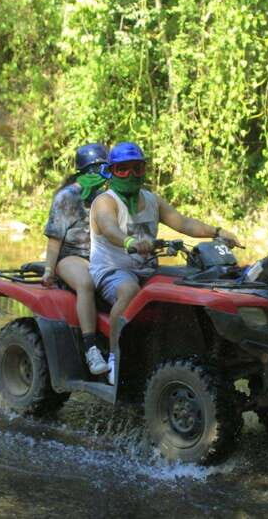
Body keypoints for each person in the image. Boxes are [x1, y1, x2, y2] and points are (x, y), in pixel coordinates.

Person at [89, 141, 241, 384]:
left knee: (189, 285)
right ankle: (115, 356)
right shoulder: (105, 201)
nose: (131, 175)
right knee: (129, 291)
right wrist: (130, 242)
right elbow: (108, 228)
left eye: (137, 168)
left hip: (148, 269)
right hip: (112, 269)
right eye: (123, 169)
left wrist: (218, 231)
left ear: (144, 169)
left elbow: (183, 223)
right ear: (112, 171)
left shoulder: (152, 200)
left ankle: (187, 354)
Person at [43, 143, 110, 375]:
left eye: (107, 168)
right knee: (86, 283)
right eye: (102, 168)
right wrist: (49, 270)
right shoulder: (67, 196)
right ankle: (91, 348)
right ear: (89, 169)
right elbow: (54, 238)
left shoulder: (105, 195)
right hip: (70, 255)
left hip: (100, 255)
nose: (106, 173)